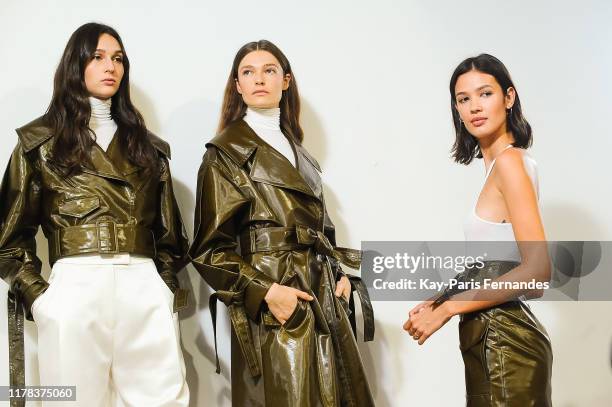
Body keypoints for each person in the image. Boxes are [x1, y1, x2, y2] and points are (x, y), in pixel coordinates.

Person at [0, 22, 190, 407]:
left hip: (142, 284)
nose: (111, 67)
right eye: (99, 57)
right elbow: (8, 240)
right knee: (71, 401)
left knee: (163, 399)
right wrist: (41, 300)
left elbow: (171, 238)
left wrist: (163, 289)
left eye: (118, 58)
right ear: (76, 65)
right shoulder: (38, 144)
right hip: (76, 287)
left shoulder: (150, 150)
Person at [189, 40, 375, 406]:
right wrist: (266, 292)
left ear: (285, 80)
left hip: (322, 293)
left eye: (269, 70)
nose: (260, 79)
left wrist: (339, 275)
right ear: (237, 85)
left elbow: (323, 231)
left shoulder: (303, 156)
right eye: (248, 72)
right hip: (276, 296)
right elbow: (209, 250)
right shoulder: (224, 154)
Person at [404, 54, 553, 406]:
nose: (474, 107)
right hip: (491, 337)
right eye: (463, 99)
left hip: (507, 344)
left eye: (485, 93)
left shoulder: (511, 163)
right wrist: (440, 298)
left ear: (509, 97)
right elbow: (495, 262)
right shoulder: (500, 167)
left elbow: (537, 272)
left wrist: (447, 308)